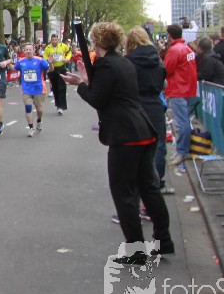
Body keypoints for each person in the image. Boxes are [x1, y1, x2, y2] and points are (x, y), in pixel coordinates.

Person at [62, 22, 173, 265]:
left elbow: (97, 99)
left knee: (124, 194)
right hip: (143, 129)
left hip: (125, 135)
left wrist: (80, 84)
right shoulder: (123, 62)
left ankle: (136, 250)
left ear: (97, 41)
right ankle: (163, 240)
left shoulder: (106, 65)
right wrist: (87, 79)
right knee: (149, 188)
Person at [125, 26, 172, 195]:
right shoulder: (157, 60)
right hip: (155, 106)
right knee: (157, 148)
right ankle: (156, 186)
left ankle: (137, 193)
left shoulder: (128, 62)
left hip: (135, 108)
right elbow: (164, 84)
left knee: (135, 152)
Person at [163, 24, 198, 174]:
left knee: (182, 123)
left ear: (169, 35)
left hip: (178, 89)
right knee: (184, 122)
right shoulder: (187, 49)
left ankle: (182, 152)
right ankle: (183, 150)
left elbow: (166, 69)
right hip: (187, 89)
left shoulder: (175, 50)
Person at [13, 42, 50, 137]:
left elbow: (50, 69)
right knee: (28, 106)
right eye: (26, 50)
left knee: (39, 109)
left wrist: (51, 63)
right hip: (27, 89)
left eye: (30, 49)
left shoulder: (40, 60)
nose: (28, 51)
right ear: (24, 51)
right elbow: (14, 68)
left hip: (38, 88)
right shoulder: (21, 61)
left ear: (34, 51)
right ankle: (31, 128)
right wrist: (7, 63)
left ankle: (39, 121)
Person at [42, 33, 73, 115]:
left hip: (61, 68)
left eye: (55, 40)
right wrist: (49, 60)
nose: (54, 41)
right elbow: (44, 57)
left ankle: (61, 106)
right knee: (55, 88)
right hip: (52, 69)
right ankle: (58, 105)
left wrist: (67, 58)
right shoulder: (48, 48)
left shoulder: (63, 46)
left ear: (58, 40)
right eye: (53, 40)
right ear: (50, 40)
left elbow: (69, 52)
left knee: (61, 87)